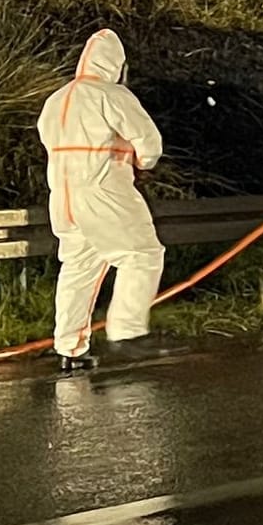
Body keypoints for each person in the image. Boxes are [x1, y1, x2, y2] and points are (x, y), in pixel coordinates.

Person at [36, 29, 165, 372]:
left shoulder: (55, 100)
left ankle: (70, 348)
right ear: (115, 65)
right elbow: (149, 142)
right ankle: (128, 333)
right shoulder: (112, 95)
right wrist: (145, 163)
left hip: (62, 196)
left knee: (79, 271)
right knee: (142, 254)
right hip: (103, 189)